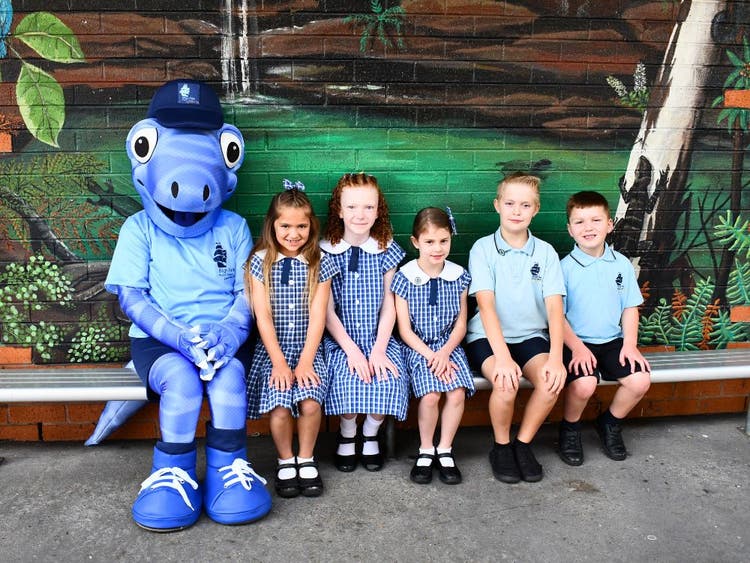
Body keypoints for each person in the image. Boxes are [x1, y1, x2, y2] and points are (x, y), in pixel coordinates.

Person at [105, 79, 271, 531]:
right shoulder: (139, 228)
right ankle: (171, 472)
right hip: (159, 341)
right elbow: (132, 299)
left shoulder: (234, 227)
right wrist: (178, 336)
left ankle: (228, 470)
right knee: (181, 383)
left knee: (228, 379)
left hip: (222, 339)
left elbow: (246, 294)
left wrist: (230, 333)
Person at [465, 172, 566, 484]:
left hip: (531, 336)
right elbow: (486, 305)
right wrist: (503, 357)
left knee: (550, 382)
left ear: (535, 210)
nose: (516, 211)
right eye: (510, 203)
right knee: (506, 383)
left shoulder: (546, 252)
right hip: (487, 336)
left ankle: (523, 444)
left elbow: (554, 307)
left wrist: (557, 358)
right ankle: (502, 446)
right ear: (497, 205)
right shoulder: (482, 249)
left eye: (525, 205)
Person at [245, 182, 337, 498]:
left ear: (312, 226)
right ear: (272, 225)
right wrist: (281, 363)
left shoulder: (319, 261)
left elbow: (318, 316)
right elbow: (263, 317)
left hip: (308, 347)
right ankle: (286, 460)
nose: (293, 233)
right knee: (281, 406)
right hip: (273, 352)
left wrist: (307, 360)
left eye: (301, 226)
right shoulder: (259, 261)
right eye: (285, 225)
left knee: (310, 401)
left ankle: (306, 458)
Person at [321, 172, 408, 472]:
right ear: (339, 210)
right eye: (353, 207)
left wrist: (379, 349)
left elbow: (389, 306)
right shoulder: (326, 251)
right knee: (346, 380)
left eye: (369, 207)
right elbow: (327, 311)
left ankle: (370, 434)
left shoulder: (386, 249)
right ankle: (347, 435)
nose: (361, 215)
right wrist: (353, 351)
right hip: (340, 341)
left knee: (387, 378)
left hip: (377, 336)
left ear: (378, 210)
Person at [558, 190, 651, 465]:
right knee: (585, 383)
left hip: (612, 341)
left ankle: (609, 422)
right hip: (575, 342)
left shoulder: (621, 263)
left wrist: (630, 345)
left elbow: (630, 308)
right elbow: (556, 318)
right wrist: (576, 348)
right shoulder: (564, 268)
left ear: (610, 225)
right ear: (570, 230)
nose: (589, 228)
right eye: (580, 222)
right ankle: (570, 428)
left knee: (640, 380)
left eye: (596, 220)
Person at [391, 207, 474, 485]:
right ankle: (426, 449)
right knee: (430, 395)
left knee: (456, 392)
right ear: (416, 242)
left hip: (449, 347)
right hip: (418, 348)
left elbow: (461, 324)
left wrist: (445, 353)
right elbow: (404, 330)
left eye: (443, 241)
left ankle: (445, 449)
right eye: (429, 242)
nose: (437, 248)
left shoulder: (459, 275)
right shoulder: (404, 277)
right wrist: (431, 355)